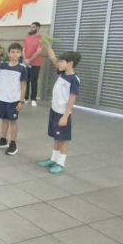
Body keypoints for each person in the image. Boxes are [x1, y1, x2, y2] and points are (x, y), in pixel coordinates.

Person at [37, 43, 81, 174]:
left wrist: (66, 116)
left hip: (63, 113)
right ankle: (53, 159)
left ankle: (60, 163)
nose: (59, 63)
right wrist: (47, 47)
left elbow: (72, 99)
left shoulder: (74, 79)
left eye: (62, 61)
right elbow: (53, 59)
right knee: (56, 137)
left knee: (63, 139)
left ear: (70, 63)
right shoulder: (62, 73)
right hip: (54, 110)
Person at [0, 43, 29, 155]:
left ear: (20, 54)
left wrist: (21, 101)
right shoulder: (2, 66)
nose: (15, 54)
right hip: (2, 98)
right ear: (9, 53)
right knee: (4, 120)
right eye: (13, 52)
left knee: (13, 121)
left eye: (17, 52)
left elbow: (23, 85)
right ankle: (3, 140)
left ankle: (13, 144)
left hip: (14, 99)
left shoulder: (22, 68)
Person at [23, 22, 44, 106]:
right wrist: (25, 59)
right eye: (31, 27)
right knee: (26, 80)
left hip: (36, 64)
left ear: (38, 28)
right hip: (26, 63)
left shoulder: (41, 38)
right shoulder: (27, 38)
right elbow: (24, 49)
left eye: (33, 27)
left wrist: (30, 60)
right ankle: (26, 97)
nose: (31, 29)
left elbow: (39, 51)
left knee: (34, 81)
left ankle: (33, 99)